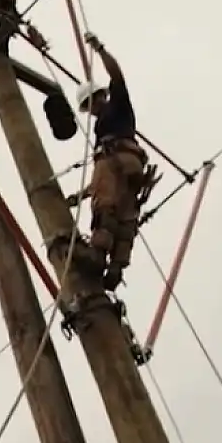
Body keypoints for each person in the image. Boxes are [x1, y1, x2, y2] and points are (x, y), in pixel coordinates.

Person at [69, 31, 149, 288]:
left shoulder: (118, 104)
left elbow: (116, 75)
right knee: (124, 217)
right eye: (89, 106)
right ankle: (115, 270)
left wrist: (99, 49)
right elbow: (98, 183)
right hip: (131, 168)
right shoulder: (108, 123)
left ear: (101, 96)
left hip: (115, 161)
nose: (93, 108)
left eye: (93, 102)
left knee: (105, 209)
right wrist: (78, 196)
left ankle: (97, 256)